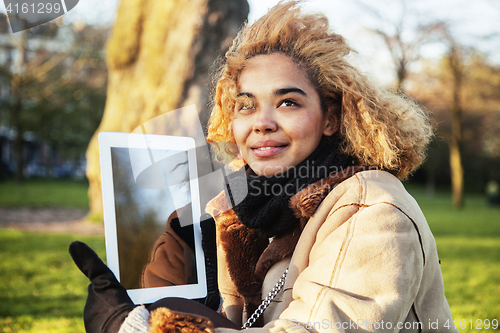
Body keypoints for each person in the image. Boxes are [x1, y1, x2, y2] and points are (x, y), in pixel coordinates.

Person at [69, 1, 458, 332]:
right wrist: (174, 280)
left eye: (288, 102)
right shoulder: (245, 208)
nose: (262, 122)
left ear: (331, 119)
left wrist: (131, 326)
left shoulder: (370, 209)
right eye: (246, 104)